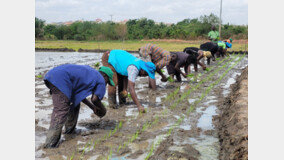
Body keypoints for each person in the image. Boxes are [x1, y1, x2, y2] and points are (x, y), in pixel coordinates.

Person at [43, 64, 115, 148]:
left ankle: (70, 131)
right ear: (105, 76)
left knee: (74, 103)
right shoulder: (101, 79)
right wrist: (102, 110)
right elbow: (95, 99)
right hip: (61, 79)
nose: (106, 84)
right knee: (61, 111)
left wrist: (92, 107)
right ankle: (50, 144)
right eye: (107, 82)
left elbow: (79, 96)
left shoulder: (91, 74)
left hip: (52, 75)